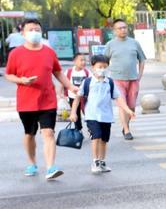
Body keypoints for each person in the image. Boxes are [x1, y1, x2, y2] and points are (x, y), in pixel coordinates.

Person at [4, 18, 78, 180]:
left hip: (47, 100)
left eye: (37, 29)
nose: (34, 33)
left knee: (49, 133)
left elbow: (57, 72)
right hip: (26, 102)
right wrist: (21, 80)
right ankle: (32, 163)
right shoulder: (16, 53)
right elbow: (8, 74)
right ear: (23, 33)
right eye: (30, 30)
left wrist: (70, 86)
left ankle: (51, 167)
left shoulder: (49, 52)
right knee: (29, 134)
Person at [70, 54, 136, 174]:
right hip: (92, 116)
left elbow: (118, 98)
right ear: (93, 67)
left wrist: (128, 110)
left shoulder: (109, 82)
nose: (102, 69)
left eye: (105, 67)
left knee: (104, 140)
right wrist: (73, 112)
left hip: (106, 116)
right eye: (100, 66)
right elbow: (78, 98)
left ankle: (102, 161)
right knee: (96, 137)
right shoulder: (87, 82)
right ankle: (95, 161)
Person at [104, 19, 145, 141]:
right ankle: (126, 130)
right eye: (120, 28)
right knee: (122, 105)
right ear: (114, 31)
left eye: (125, 27)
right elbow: (104, 61)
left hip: (133, 79)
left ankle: (126, 125)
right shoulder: (110, 44)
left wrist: (140, 75)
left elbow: (142, 59)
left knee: (131, 106)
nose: (123, 30)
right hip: (117, 79)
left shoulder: (134, 43)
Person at [64, 54, 90, 132]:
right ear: (74, 61)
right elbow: (63, 83)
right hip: (73, 97)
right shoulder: (69, 72)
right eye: (81, 60)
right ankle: (78, 129)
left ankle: (91, 128)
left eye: (84, 60)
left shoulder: (87, 72)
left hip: (85, 97)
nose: (83, 62)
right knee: (76, 113)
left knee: (88, 113)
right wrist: (62, 95)